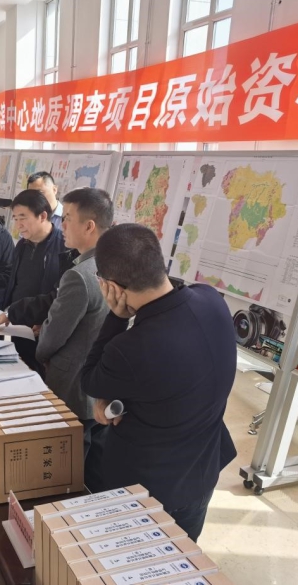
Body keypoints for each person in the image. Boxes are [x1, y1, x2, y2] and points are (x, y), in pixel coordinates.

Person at [81, 224, 237, 542]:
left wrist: (117, 317)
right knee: (182, 557)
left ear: (111, 286)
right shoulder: (212, 300)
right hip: (200, 473)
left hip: (147, 489)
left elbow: (90, 380)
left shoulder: (130, 348)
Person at [35, 189, 113, 492]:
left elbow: (53, 336)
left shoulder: (79, 276)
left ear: (89, 225)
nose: (62, 225)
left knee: (68, 469)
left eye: (67, 218)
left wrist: (42, 350)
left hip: (73, 385)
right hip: (104, 385)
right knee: (96, 466)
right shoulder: (118, 264)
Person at [1, 190, 66, 370]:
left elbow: (61, 296)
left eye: (23, 218)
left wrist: (47, 322)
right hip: (17, 327)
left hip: (42, 332)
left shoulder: (64, 248)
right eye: (15, 219)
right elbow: (14, 283)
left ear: (43, 216)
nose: (18, 225)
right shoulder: (22, 245)